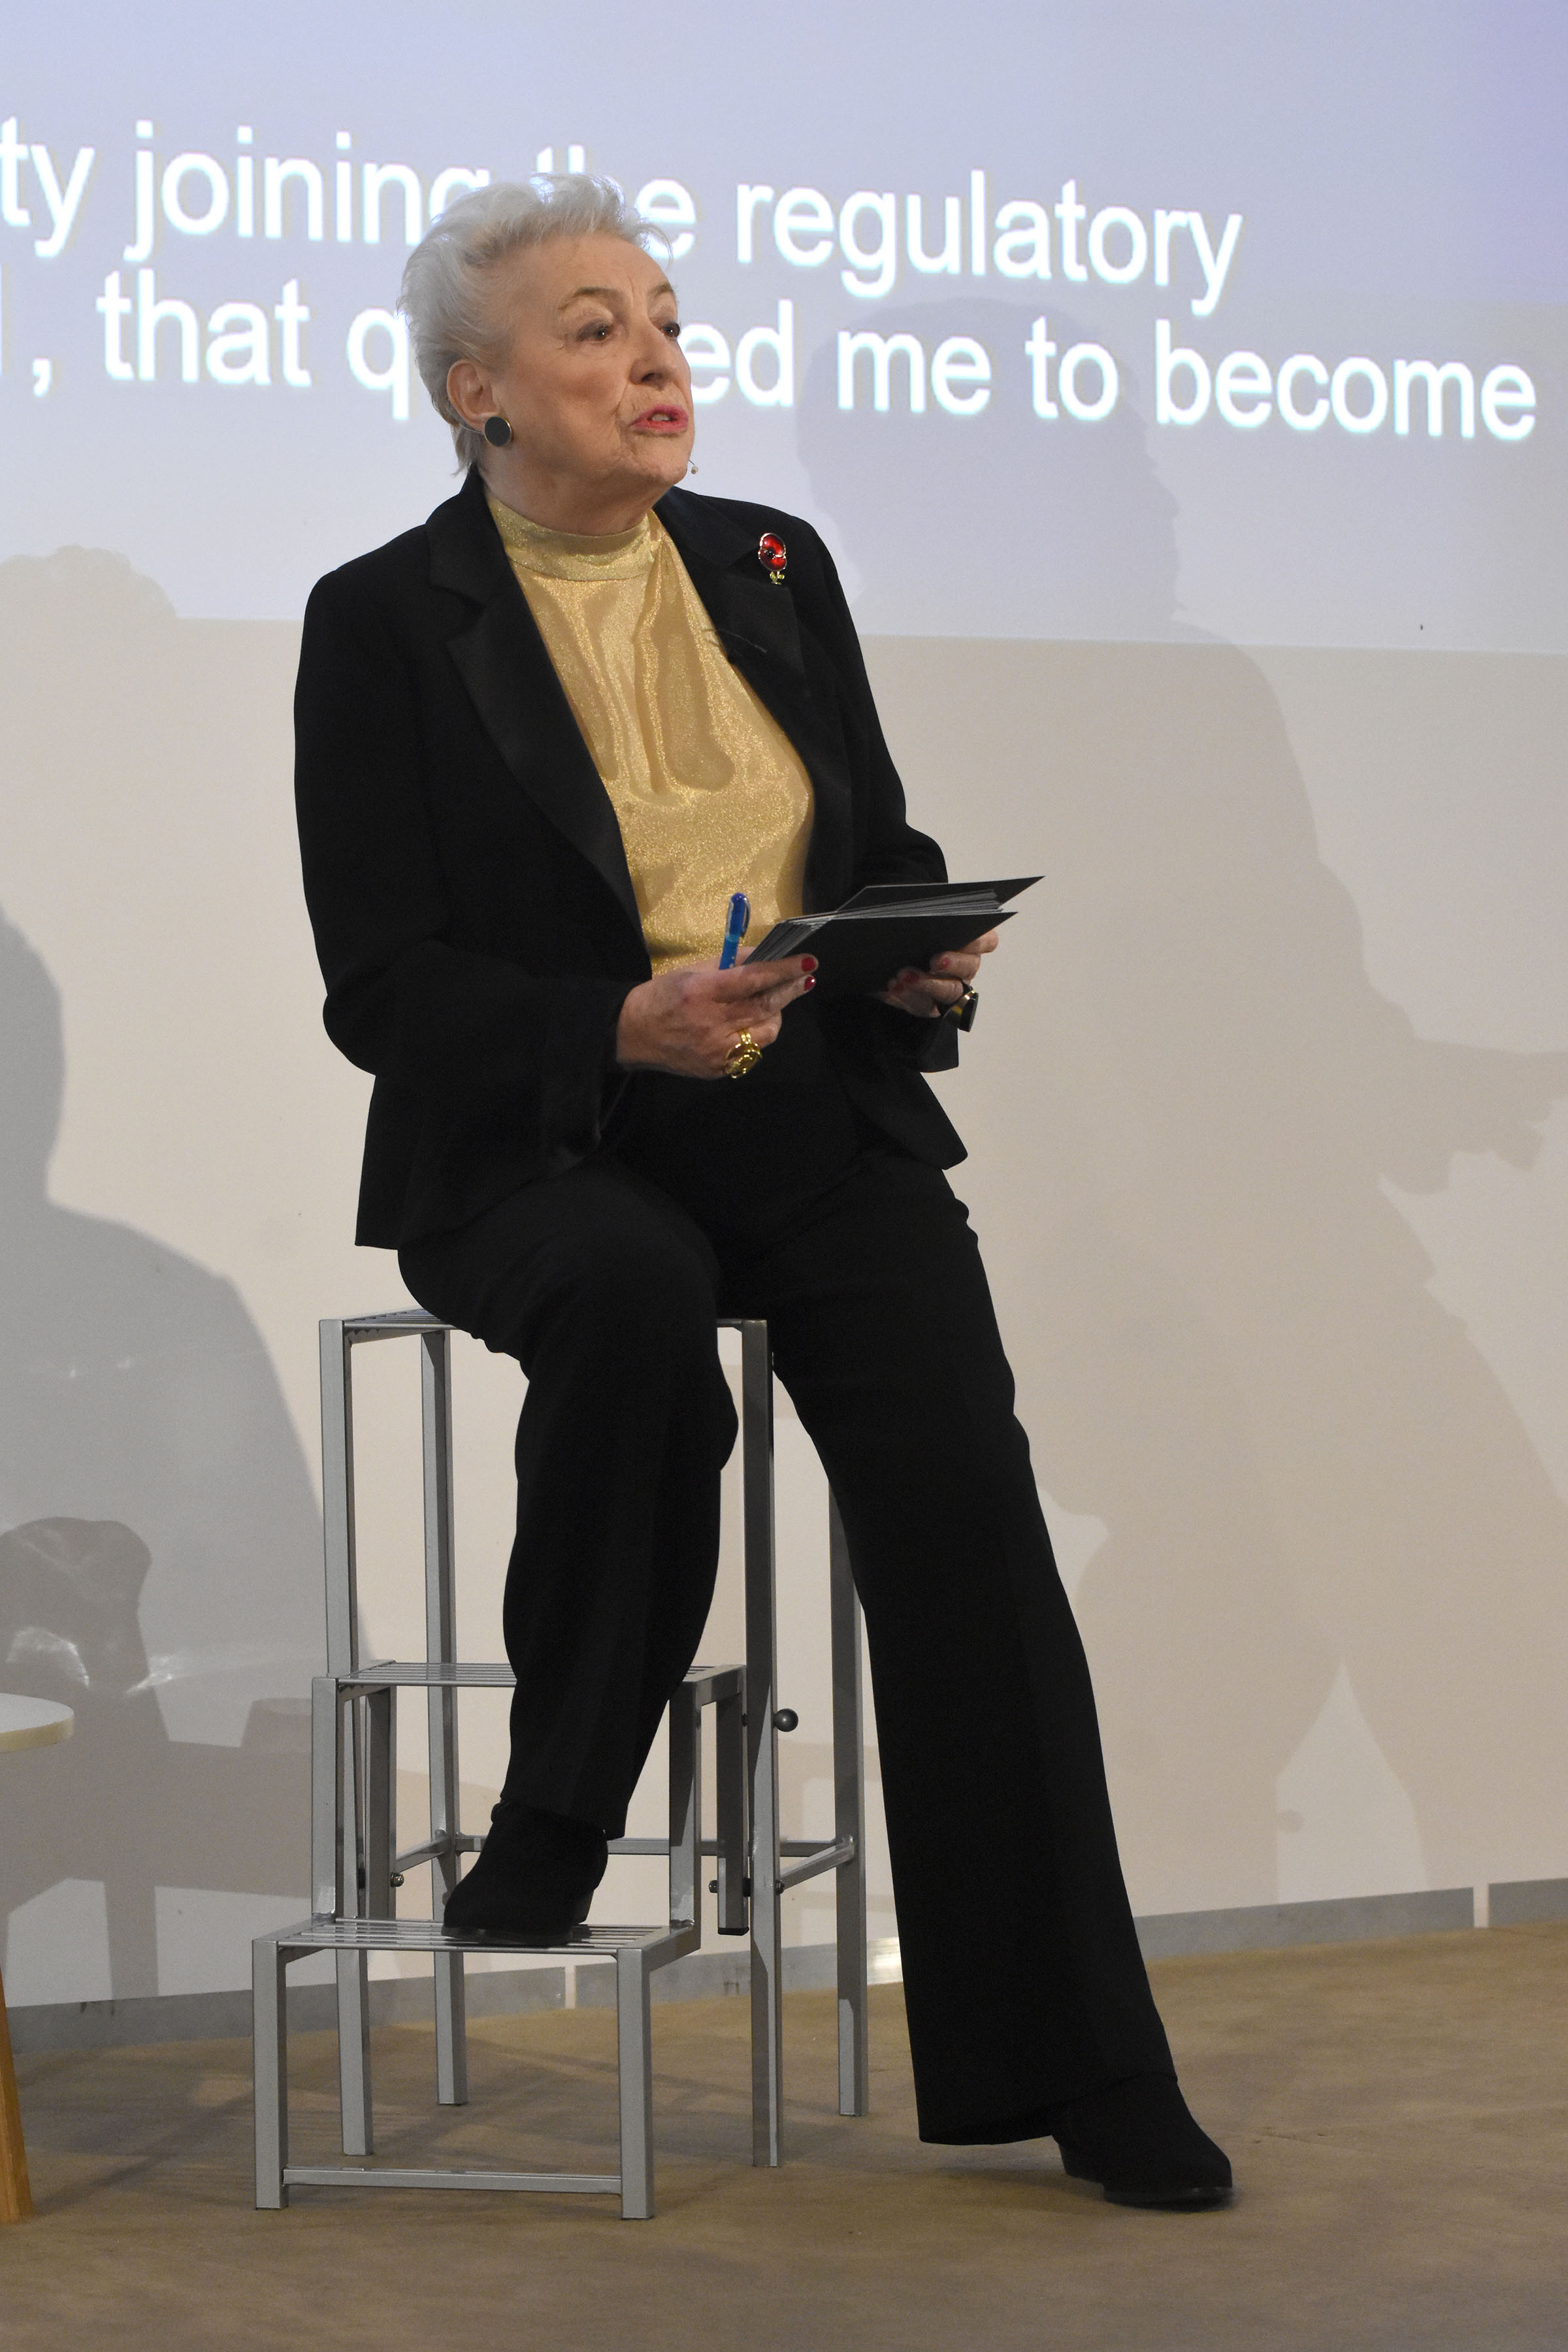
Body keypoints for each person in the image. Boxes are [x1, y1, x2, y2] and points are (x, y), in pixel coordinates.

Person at [293, 175, 1232, 2211]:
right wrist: (611, 1027)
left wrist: (908, 942)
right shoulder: (382, 619)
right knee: (634, 1311)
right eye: (596, 330)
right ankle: (559, 1809)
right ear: (478, 390)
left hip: (809, 1126)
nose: (656, 362)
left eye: (666, 322)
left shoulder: (775, 560)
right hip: (551, 1149)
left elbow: (863, 833)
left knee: (971, 1525)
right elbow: (384, 984)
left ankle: (1079, 2063)